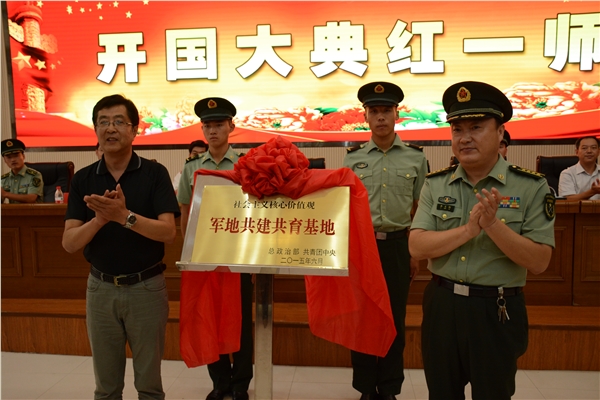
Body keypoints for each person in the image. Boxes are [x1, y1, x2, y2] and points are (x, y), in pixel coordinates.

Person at [409, 81, 556, 400]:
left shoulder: (531, 186)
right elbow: (417, 246)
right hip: (443, 305)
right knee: (441, 393)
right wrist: (467, 231)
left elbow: (539, 261)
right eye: (457, 129)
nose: (465, 137)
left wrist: (492, 225)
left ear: (500, 132)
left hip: (496, 309)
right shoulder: (436, 184)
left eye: (476, 127)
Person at [62, 94, 180, 400]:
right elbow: (70, 243)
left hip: (146, 288)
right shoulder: (83, 179)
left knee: (149, 386)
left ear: (134, 129)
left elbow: (169, 233)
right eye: (103, 122)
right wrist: (100, 220)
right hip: (100, 289)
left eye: (118, 121)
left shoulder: (155, 173)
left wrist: (124, 217)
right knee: (106, 387)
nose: (110, 128)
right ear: (95, 130)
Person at [343, 82, 428, 400]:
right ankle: (366, 387)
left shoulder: (415, 159)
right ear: (365, 116)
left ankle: (390, 387)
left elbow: (421, 209)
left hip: (397, 246)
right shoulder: (353, 159)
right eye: (374, 111)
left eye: (386, 111)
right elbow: (345, 207)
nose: (380, 117)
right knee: (363, 317)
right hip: (363, 247)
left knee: (394, 317)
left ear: (397, 114)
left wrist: (414, 252)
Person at [177, 97, 252, 400]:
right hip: (205, 255)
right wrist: (189, 252)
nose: (212, 130)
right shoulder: (193, 168)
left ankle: (241, 383)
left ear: (231, 126)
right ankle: (220, 382)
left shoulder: (245, 165)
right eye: (207, 125)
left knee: (241, 321)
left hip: (238, 255)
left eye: (219, 124)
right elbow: (185, 211)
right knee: (210, 317)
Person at [1, 138, 44, 204]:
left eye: (16, 156)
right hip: (12, 210)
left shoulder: (34, 175)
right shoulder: (4, 179)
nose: (13, 160)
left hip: (31, 210)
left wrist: (5, 194)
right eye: (9, 157)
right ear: (5, 160)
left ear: (23, 156)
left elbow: (31, 198)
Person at [558, 136, 600, 200]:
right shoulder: (567, 174)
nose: (589, 151)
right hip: (576, 207)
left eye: (593, 148)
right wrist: (592, 192)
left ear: (598, 152)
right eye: (584, 148)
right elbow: (568, 200)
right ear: (577, 152)